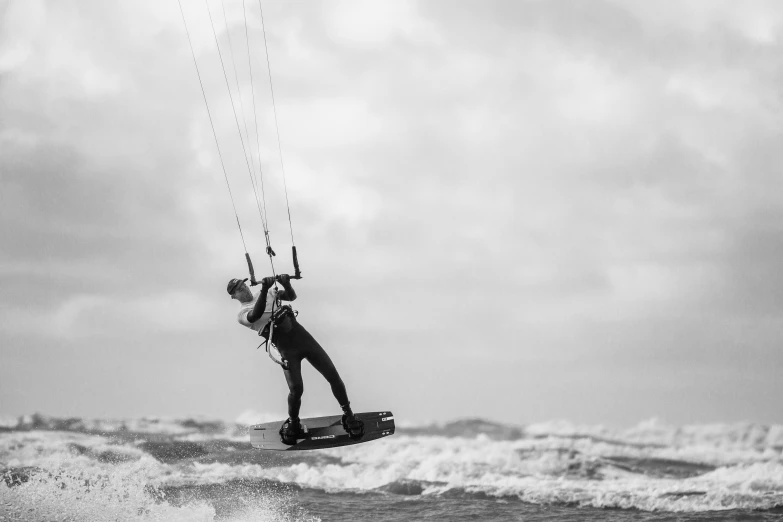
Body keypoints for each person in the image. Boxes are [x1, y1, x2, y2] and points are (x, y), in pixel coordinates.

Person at [227, 274, 364, 444]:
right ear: (234, 297)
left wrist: (286, 283)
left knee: (333, 376)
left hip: (305, 340)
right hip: (287, 351)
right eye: (239, 290)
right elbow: (256, 314)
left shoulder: (269, 293)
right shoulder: (242, 314)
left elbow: (291, 296)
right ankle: (293, 423)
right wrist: (263, 289)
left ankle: (349, 415)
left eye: (244, 286)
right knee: (296, 389)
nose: (244, 289)